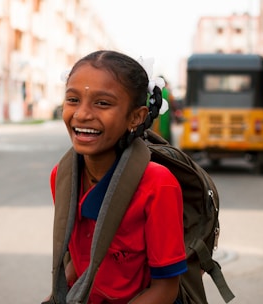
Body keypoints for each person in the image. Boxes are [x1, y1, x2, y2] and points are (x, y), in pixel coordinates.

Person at [46, 50, 187, 303]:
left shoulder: (158, 185)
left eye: (102, 103)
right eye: (73, 99)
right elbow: (82, 261)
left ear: (136, 117)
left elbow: (165, 290)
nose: (82, 114)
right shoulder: (63, 176)